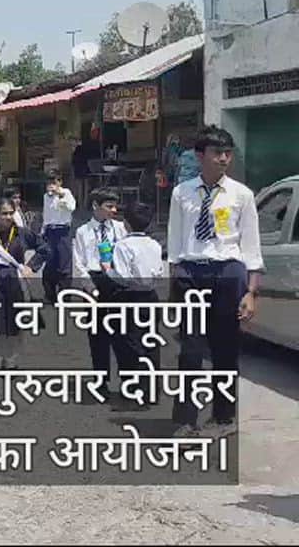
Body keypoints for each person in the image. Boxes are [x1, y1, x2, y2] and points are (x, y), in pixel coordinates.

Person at [166, 125, 262, 439]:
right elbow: (175, 240)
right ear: (200, 155)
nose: (223, 159)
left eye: (228, 153)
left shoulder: (242, 195)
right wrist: (175, 280)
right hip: (191, 274)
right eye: (217, 153)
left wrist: (251, 292)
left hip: (228, 274)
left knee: (225, 349)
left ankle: (223, 417)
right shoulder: (182, 193)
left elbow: (251, 246)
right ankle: (185, 420)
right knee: (190, 351)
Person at [104, 201, 165, 413]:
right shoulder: (155, 245)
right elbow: (159, 272)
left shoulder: (123, 246)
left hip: (129, 297)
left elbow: (122, 275)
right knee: (151, 343)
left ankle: (134, 391)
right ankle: (152, 390)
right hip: (150, 297)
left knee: (130, 344)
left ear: (126, 223)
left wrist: (107, 269)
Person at [72, 187, 127, 400]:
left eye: (115, 206)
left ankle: (127, 380)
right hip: (95, 282)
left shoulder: (120, 228)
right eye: (109, 206)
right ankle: (101, 380)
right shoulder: (83, 232)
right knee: (98, 336)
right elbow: (79, 263)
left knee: (121, 334)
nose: (114, 210)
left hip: (116, 281)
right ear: (95, 206)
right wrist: (89, 287)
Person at [0, 196, 45, 370]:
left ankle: (11, 359)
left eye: (11, 213)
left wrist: (31, 266)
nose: (8, 217)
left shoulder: (22, 233)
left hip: (15, 282)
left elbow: (44, 249)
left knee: (15, 321)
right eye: (4, 213)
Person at [40, 169, 76, 308]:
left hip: (62, 231)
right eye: (49, 182)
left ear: (60, 182)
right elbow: (46, 214)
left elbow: (71, 207)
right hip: (50, 230)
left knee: (64, 264)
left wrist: (60, 196)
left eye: (54, 182)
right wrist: (43, 230)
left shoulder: (66, 193)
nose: (51, 185)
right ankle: (49, 295)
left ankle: (65, 297)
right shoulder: (46, 196)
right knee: (50, 263)